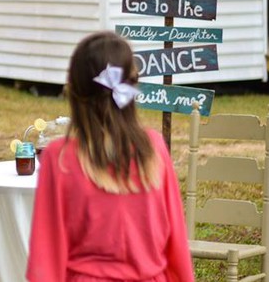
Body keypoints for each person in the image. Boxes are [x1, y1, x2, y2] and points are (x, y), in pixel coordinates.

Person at [26, 31, 194, 282]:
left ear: (74, 91)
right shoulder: (154, 148)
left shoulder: (59, 158)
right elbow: (176, 243)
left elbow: (46, 256)